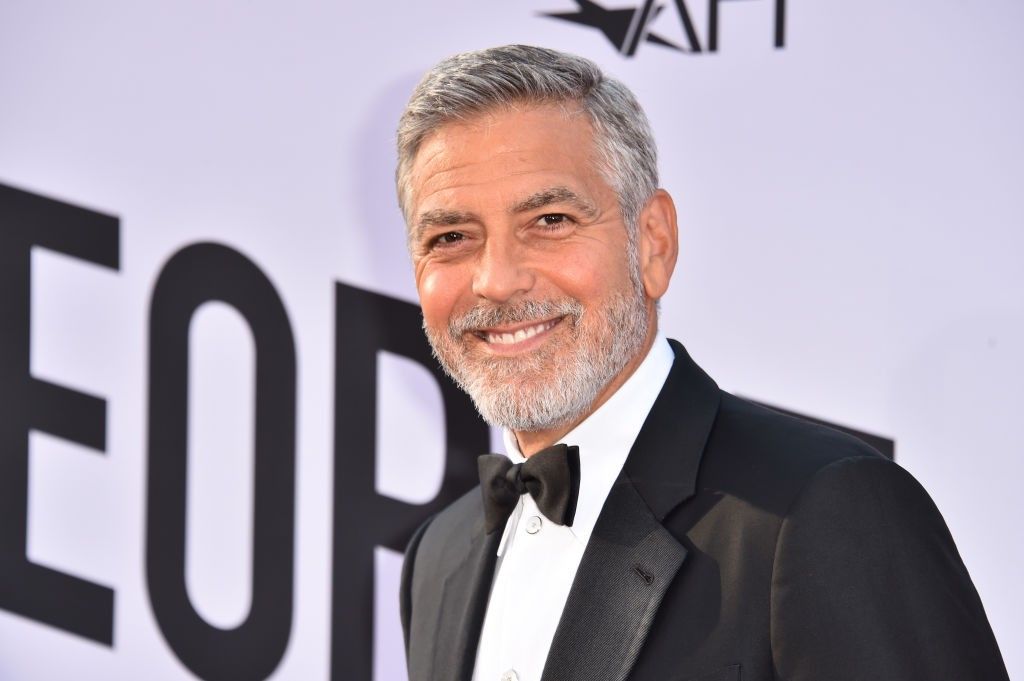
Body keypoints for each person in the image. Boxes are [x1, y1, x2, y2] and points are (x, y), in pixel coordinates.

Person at [395, 45, 1008, 681]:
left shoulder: (823, 510)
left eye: (550, 220)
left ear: (653, 243)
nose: (496, 281)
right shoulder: (436, 560)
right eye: (451, 238)